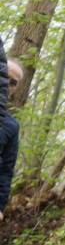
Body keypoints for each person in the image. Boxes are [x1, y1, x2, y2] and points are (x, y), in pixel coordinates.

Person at [0, 35, 21, 222]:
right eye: (5, 77)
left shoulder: (11, 126)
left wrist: (0, 206)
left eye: (13, 82)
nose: (8, 84)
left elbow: (6, 170)